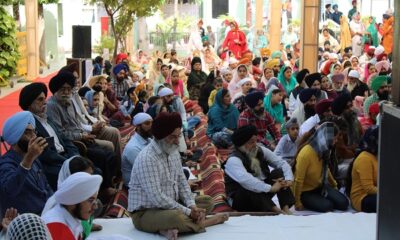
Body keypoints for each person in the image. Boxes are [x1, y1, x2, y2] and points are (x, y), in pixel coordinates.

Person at [128, 112, 228, 239]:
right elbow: (157, 198)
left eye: (178, 136)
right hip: (145, 212)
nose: (177, 141)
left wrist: (192, 206)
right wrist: (188, 212)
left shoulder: (172, 150)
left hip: (171, 204)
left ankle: (165, 229)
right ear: (160, 137)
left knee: (208, 201)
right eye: (172, 137)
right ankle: (206, 222)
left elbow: (181, 181)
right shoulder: (147, 158)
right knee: (177, 218)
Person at [19, 82, 80, 190]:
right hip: (51, 164)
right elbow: (44, 154)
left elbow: (65, 139)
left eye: (44, 99)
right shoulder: (29, 127)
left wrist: (74, 156)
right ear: (29, 103)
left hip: (66, 156)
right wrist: (68, 162)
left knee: (97, 160)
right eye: (40, 99)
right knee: (78, 176)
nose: (45, 102)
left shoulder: (47, 118)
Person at [224, 125, 295, 214]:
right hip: (242, 199)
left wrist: (288, 179)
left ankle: (285, 208)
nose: (255, 145)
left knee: (279, 173)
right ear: (241, 144)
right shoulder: (233, 160)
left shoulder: (260, 150)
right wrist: (271, 188)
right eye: (251, 142)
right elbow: (246, 181)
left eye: (256, 141)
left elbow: (281, 163)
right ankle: (276, 211)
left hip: (261, 195)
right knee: (249, 186)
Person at [0, 111, 53, 217]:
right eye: (27, 132)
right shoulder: (5, 164)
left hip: (48, 213)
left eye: (34, 132)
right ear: (15, 136)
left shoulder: (34, 159)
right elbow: (9, 191)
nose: (33, 136)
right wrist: (28, 158)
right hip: (28, 223)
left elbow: (46, 187)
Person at [293, 122, 349, 212]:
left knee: (344, 203)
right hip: (305, 191)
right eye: (335, 139)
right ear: (328, 138)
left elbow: (326, 169)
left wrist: (334, 185)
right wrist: (297, 202)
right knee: (327, 206)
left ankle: (321, 198)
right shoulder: (306, 153)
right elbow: (298, 180)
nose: (336, 141)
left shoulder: (324, 150)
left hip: (319, 187)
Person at [41, 156, 102, 239]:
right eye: (90, 200)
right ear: (73, 200)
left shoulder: (71, 214)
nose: (95, 206)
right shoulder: (57, 228)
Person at [349, 126, 379, 213]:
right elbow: (368, 188)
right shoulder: (364, 159)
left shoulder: (375, 155)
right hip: (361, 198)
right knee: (389, 201)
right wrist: (386, 192)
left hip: (373, 194)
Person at [121, 113, 153, 186]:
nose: (151, 126)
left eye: (152, 123)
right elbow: (147, 171)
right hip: (136, 185)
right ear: (138, 127)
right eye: (147, 123)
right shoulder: (133, 148)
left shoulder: (149, 140)